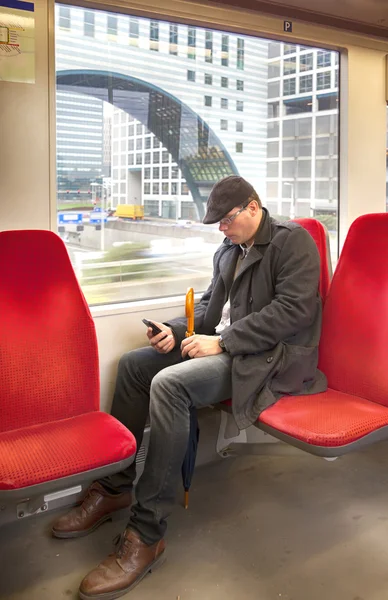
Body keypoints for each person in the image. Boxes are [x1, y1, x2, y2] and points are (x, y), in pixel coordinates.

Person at [52, 175, 327, 600]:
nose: (222, 229)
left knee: (169, 385)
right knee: (134, 366)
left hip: (269, 359)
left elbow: (293, 312)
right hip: (233, 348)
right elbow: (211, 308)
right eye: (217, 223)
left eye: (227, 219)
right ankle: (114, 489)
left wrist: (223, 342)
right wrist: (174, 329)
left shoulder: (294, 243)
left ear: (254, 207)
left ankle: (146, 535)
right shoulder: (229, 251)